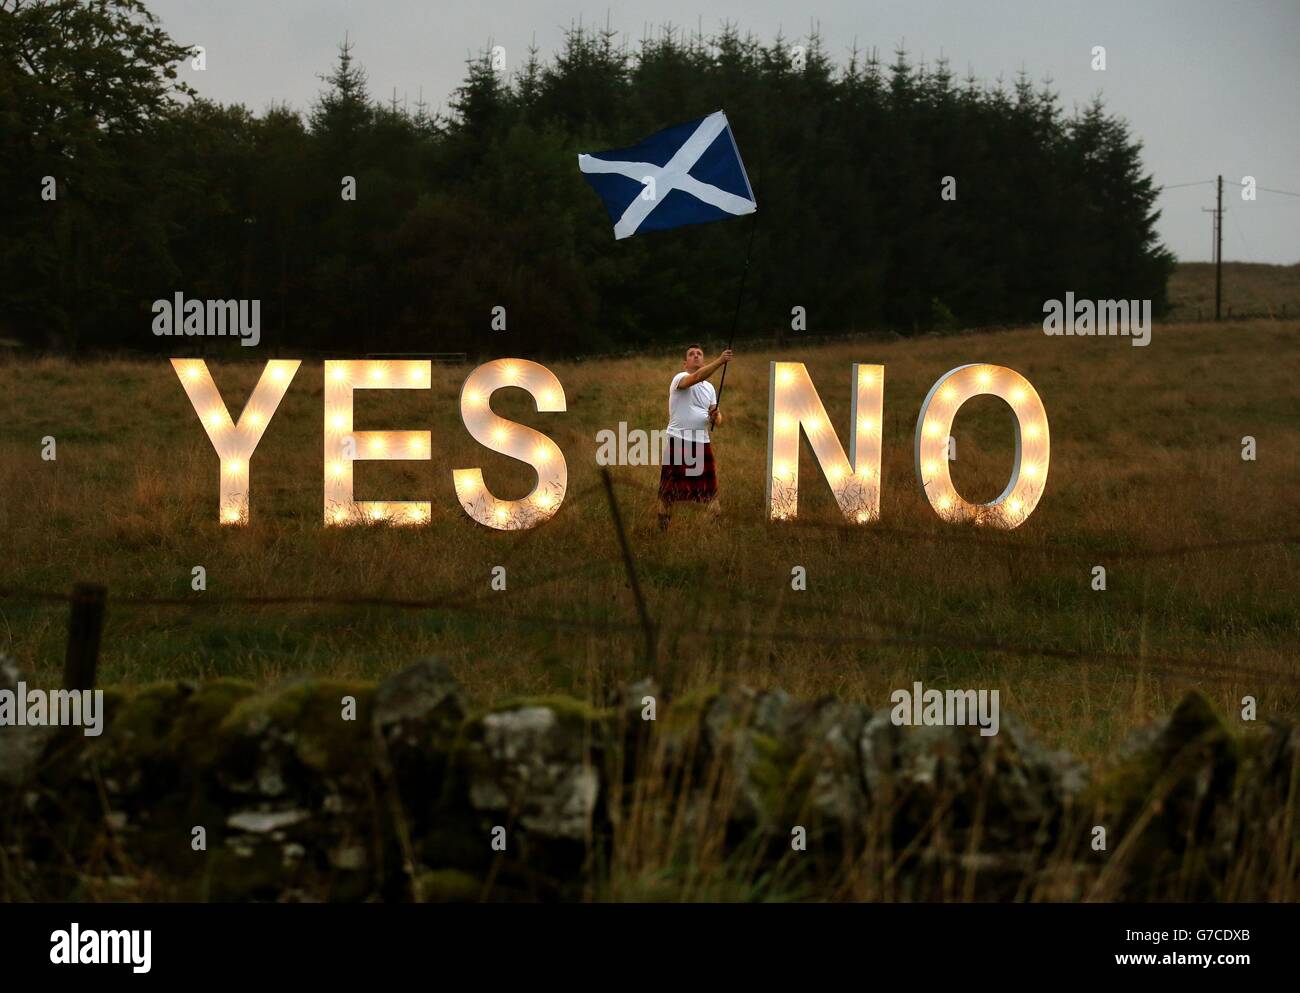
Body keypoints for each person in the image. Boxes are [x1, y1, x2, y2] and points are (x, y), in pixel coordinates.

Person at [657, 344, 732, 530]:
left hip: (702, 444)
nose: (696, 356)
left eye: (699, 354)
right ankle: (662, 529)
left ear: (703, 360)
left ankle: (715, 530)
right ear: (685, 363)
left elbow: (718, 419)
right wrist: (721, 361)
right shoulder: (680, 378)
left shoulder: (710, 388)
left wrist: (716, 416)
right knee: (668, 492)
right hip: (679, 441)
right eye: (691, 354)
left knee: (710, 492)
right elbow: (697, 377)